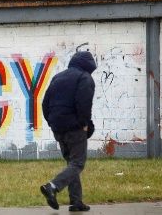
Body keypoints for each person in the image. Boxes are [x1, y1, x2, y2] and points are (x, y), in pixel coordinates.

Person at [40, 51, 96, 212]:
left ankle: (76, 202)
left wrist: (52, 122)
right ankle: (52, 186)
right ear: (89, 65)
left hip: (58, 127)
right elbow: (84, 102)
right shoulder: (84, 78)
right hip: (75, 127)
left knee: (71, 164)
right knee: (78, 163)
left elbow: (45, 103)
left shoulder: (58, 77)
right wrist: (84, 123)